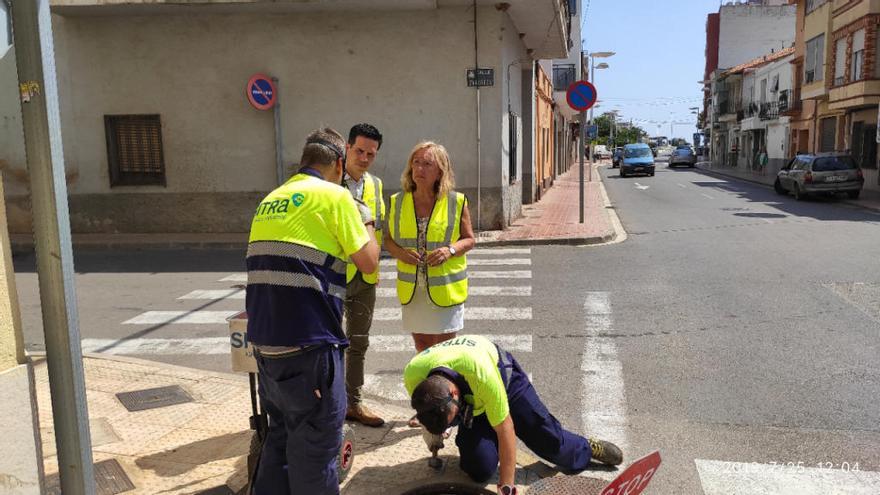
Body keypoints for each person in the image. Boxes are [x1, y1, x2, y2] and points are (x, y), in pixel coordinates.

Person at [245, 127, 379, 495]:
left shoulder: (271, 198)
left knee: (280, 439)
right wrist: (366, 219)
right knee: (316, 452)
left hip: (267, 347)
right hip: (310, 347)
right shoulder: (336, 198)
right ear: (339, 163)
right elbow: (369, 262)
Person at [405, 335, 623, 495]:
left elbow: (505, 429)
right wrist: (434, 437)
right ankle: (485, 428)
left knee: (545, 438)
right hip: (472, 400)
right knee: (478, 468)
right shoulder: (414, 377)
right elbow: (429, 413)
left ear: (454, 393)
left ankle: (584, 447)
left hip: (504, 381)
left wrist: (507, 488)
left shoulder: (481, 373)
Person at [384, 142, 475, 353]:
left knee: (446, 347)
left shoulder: (455, 201)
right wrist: (400, 253)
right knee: (422, 346)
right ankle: (427, 385)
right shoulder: (397, 201)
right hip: (414, 289)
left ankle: (444, 385)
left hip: (445, 288)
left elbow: (469, 239)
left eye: (427, 164)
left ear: (440, 171)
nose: (419, 169)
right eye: (416, 162)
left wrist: (449, 250)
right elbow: (387, 239)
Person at [342, 123, 387, 428]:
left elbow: (377, 227)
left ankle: (353, 403)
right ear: (346, 148)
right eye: (359, 151)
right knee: (328, 344)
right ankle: (328, 403)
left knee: (359, 342)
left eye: (371, 154)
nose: (365, 158)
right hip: (332, 277)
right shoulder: (329, 182)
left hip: (365, 278)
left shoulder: (375, 185)